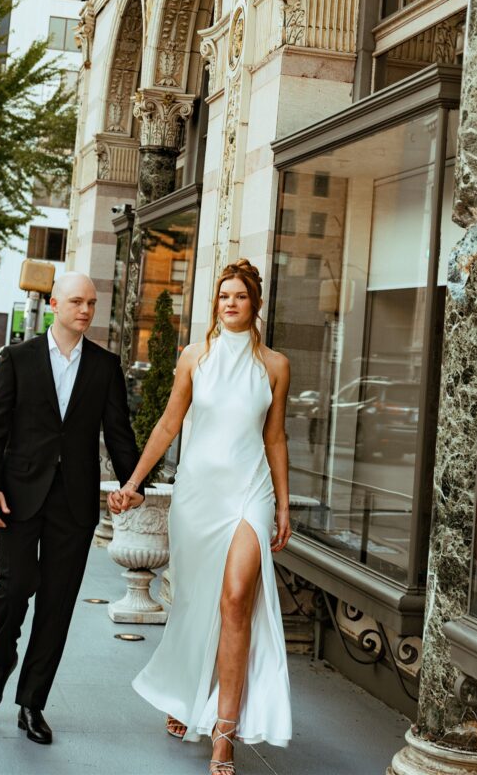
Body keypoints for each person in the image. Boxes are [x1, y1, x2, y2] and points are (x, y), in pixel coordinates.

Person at [111, 259, 292, 774]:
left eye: (239, 296)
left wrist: (281, 503)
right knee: (194, 603)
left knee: (236, 598)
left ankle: (224, 733)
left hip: (248, 494)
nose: (230, 302)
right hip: (197, 497)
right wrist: (134, 483)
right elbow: (169, 424)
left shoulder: (275, 365)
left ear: (255, 305)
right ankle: (184, 689)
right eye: (223, 295)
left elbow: (275, 437)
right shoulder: (195, 356)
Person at [0, 272, 142, 744]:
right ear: (54, 304)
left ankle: (32, 702)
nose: (85, 310)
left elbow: (119, 435)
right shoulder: (18, 358)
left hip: (74, 505)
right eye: (76, 302)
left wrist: (133, 483)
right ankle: (1, 662)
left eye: (91, 302)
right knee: (14, 589)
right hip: (18, 496)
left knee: (56, 605)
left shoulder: (105, 366)